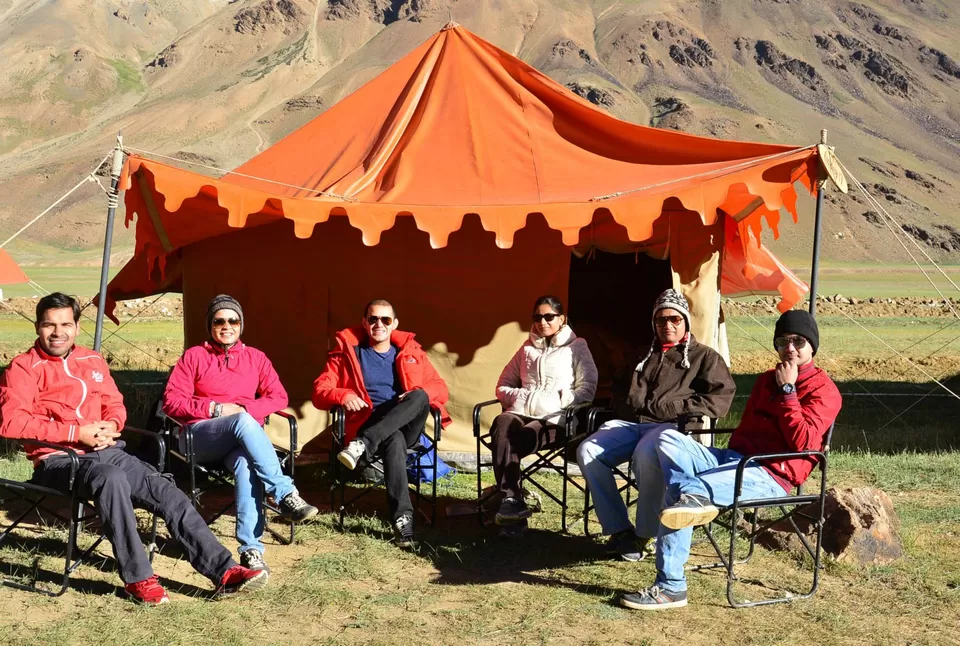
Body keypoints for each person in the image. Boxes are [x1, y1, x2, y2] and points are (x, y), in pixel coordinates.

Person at [0, 293, 268, 604]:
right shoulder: (23, 367)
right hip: (59, 460)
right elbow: (11, 423)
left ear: (76, 327)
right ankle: (139, 578)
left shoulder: (92, 360)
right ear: (38, 327)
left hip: (108, 450)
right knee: (110, 478)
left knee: (166, 489)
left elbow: (114, 404)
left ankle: (224, 571)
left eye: (66, 324)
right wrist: (76, 432)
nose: (58, 332)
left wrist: (112, 425)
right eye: (49, 325)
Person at [619, 309, 842, 610]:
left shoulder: (824, 390)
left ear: (812, 346)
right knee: (665, 439)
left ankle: (671, 587)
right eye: (782, 341)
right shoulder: (765, 381)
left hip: (771, 473)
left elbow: (803, 443)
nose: (790, 348)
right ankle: (694, 496)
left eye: (798, 341)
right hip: (733, 461)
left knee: (684, 492)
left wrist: (789, 391)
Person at [163, 294, 318, 575]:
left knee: (247, 465)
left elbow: (278, 396)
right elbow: (171, 402)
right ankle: (284, 493)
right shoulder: (193, 357)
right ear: (210, 325)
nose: (226, 326)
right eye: (219, 321)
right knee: (244, 422)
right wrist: (214, 408)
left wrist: (245, 408)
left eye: (233, 320)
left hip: (238, 439)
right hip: (199, 436)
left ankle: (251, 551)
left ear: (241, 324)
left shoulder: (256, 358)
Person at [577, 288, 735, 561]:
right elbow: (617, 388)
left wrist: (675, 408)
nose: (668, 325)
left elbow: (720, 398)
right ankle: (619, 529)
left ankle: (644, 534)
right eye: (661, 320)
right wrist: (627, 406)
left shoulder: (704, 358)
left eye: (674, 319)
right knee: (587, 450)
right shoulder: (641, 355)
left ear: (685, 321)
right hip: (631, 424)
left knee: (647, 453)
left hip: (672, 429)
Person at [312, 298, 450, 548]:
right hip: (369, 422)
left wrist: (416, 391)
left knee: (420, 395)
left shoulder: (411, 353)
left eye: (385, 320)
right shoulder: (347, 355)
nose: (379, 324)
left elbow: (441, 388)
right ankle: (403, 520)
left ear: (394, 324)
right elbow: (320, 391)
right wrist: (344, 394)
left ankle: (362, 444)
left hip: (402, 426)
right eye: (373, 319)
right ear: (365, 323)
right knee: (393, 439)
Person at [491, 295, 598, 535]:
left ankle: (510, 503)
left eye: (549, 316)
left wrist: (557, 400)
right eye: (537, 317)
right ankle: (512, 501)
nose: (543, 322)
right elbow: (502, 385)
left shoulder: (577, 346)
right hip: (520, 412)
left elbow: (588, 388)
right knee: (502, 422)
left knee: (513, 440)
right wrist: (523, 397)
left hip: (557, 418)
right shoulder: (526, 348)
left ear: (562, 318)